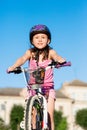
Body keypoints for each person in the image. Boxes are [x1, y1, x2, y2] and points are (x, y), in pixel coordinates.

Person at [7, 24, 66, 130]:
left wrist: (60, 60)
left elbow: (57, 57)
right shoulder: (30, 53)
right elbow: (22, 59)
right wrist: (14, 66)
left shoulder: (50, 52)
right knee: (33, 115)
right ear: (32, 41)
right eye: (36, 37)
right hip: (33, 87)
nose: (40, 40)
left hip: (47, 88)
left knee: (49, 114)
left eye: (43, 37)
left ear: (48, 40)